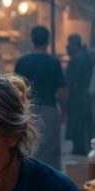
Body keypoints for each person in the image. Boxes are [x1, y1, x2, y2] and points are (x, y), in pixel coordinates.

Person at [14, 25, 66, 168]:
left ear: (32, 40)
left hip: (27, 109)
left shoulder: (22, 62)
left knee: (29, 147)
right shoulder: (54, 62)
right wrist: (63, 111)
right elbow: (61, 91)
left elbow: (15, 88)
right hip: (48, 109)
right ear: (48, 41)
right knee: (49, 149)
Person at [65, 33, 93, 155]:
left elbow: (71, 80)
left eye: (69, 44)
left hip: (78, 95)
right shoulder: (85, 56)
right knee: (81, 122)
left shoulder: (77, 58)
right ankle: (81, 146)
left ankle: (79, 148)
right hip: (84, 94)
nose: (67, 47)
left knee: (77, 122)